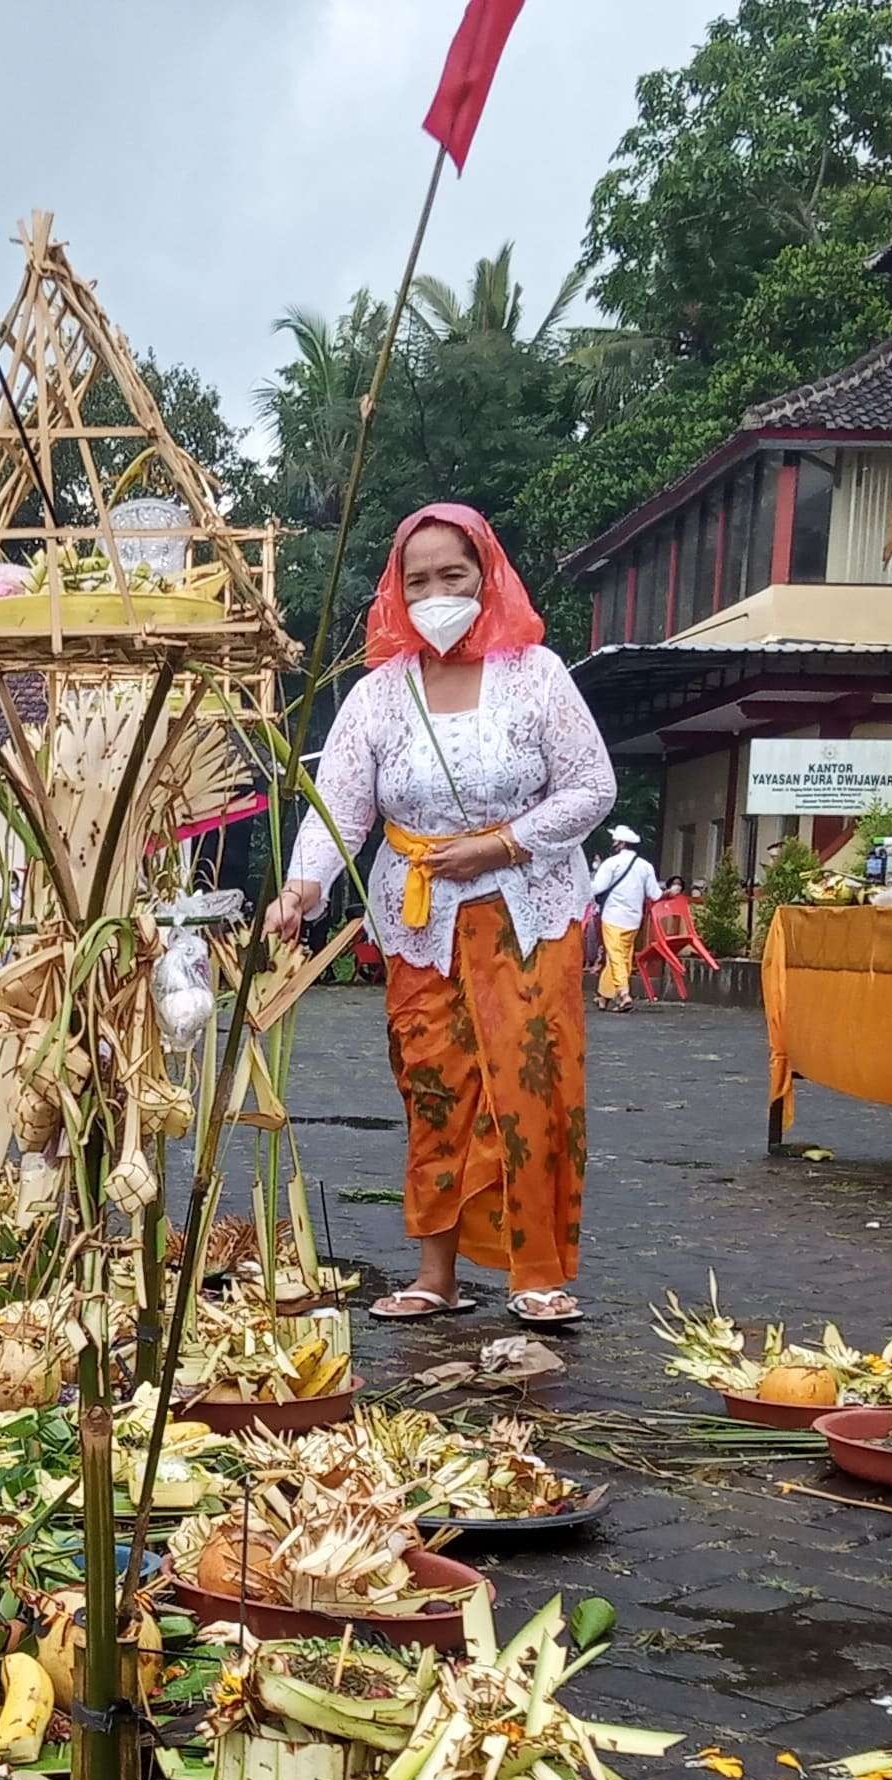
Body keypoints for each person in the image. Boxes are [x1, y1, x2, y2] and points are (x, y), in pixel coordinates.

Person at [263, 502, 615, 1329]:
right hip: (420, 923)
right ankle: (436, 1275)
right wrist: (301, 888)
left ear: (485, 575)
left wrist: (499, 848)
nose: (435, 592)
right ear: (397, 590)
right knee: (433, 1088)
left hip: (529, 912)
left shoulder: (537, 674)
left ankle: (535, 1273)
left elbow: (592, 789)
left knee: (530, 1084)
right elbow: (340, 806)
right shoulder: (381, 694)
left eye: (452, 574)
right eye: (416, 579)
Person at [589, 826, 658, 1012]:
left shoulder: (611, 863)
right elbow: (655, 894)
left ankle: (623, 993)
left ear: (620, 843)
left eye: (615, 841)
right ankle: (603, 996)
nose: (613, 844)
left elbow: (597, 888)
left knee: (616, 956)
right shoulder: (646, 866)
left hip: (613, 916)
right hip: (634, 918)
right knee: (622, 957)